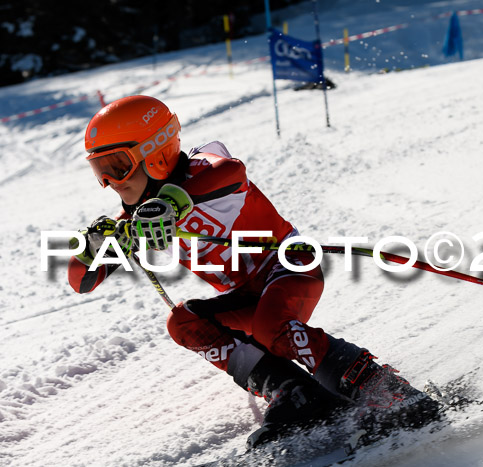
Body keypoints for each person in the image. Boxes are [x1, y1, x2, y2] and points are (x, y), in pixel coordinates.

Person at [67, 95, 440, 447]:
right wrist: (94, 248)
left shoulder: (203, 168)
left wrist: (172, 202)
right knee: (183, 322)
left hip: (290, 266)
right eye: (100, 171)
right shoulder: (139, 218)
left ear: (155, 154)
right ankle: (295, 394)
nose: (111, 183)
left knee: (271, 328)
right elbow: (79, 281)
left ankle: (386, 391)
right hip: (247, 294)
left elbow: (230, 172)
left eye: (117, 166)